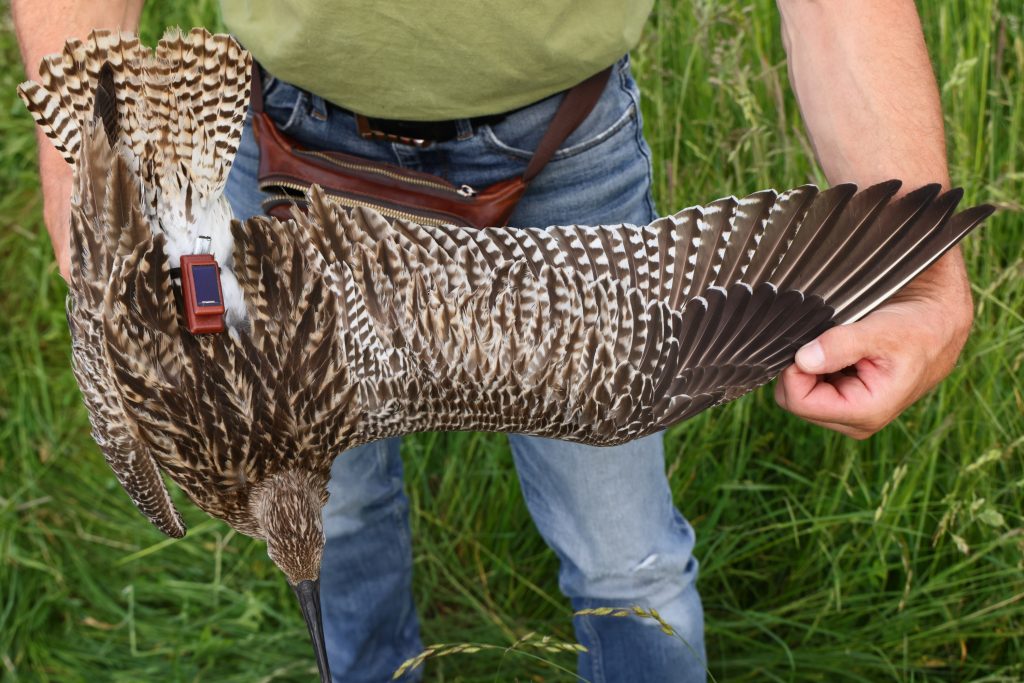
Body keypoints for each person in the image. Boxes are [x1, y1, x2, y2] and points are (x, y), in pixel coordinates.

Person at [14, 2, 973, 681]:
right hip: (267, 131)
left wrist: (914, 269)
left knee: (623, 548)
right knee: (334, 523)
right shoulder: (187, 451)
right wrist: (89, 183)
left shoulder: (180, 459)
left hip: (556, 141)